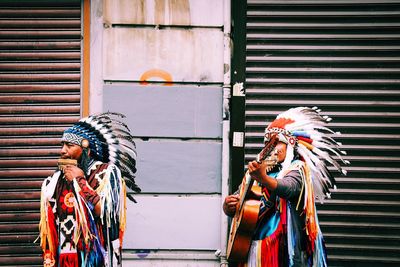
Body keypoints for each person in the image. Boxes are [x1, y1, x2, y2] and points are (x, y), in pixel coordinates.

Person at [223, 107, 349, 267]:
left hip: (284, 251)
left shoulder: (298, 169)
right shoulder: (256, 175)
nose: (270, 148)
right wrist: (228, 206)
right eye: (267, 143)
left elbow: (288, 188)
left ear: (290, 145)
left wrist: (263, 178)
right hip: (253, 248)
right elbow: (239, 205)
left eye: (276, 143)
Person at [38, 112, 141, 267]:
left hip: (97, 258)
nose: (63, 151)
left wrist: (80, 181)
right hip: (65, 260)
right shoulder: (52, 183)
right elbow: (50, 232)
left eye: (69, 145)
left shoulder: (106, 173)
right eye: (62, 145)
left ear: (86, 148)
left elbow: (107, 214)